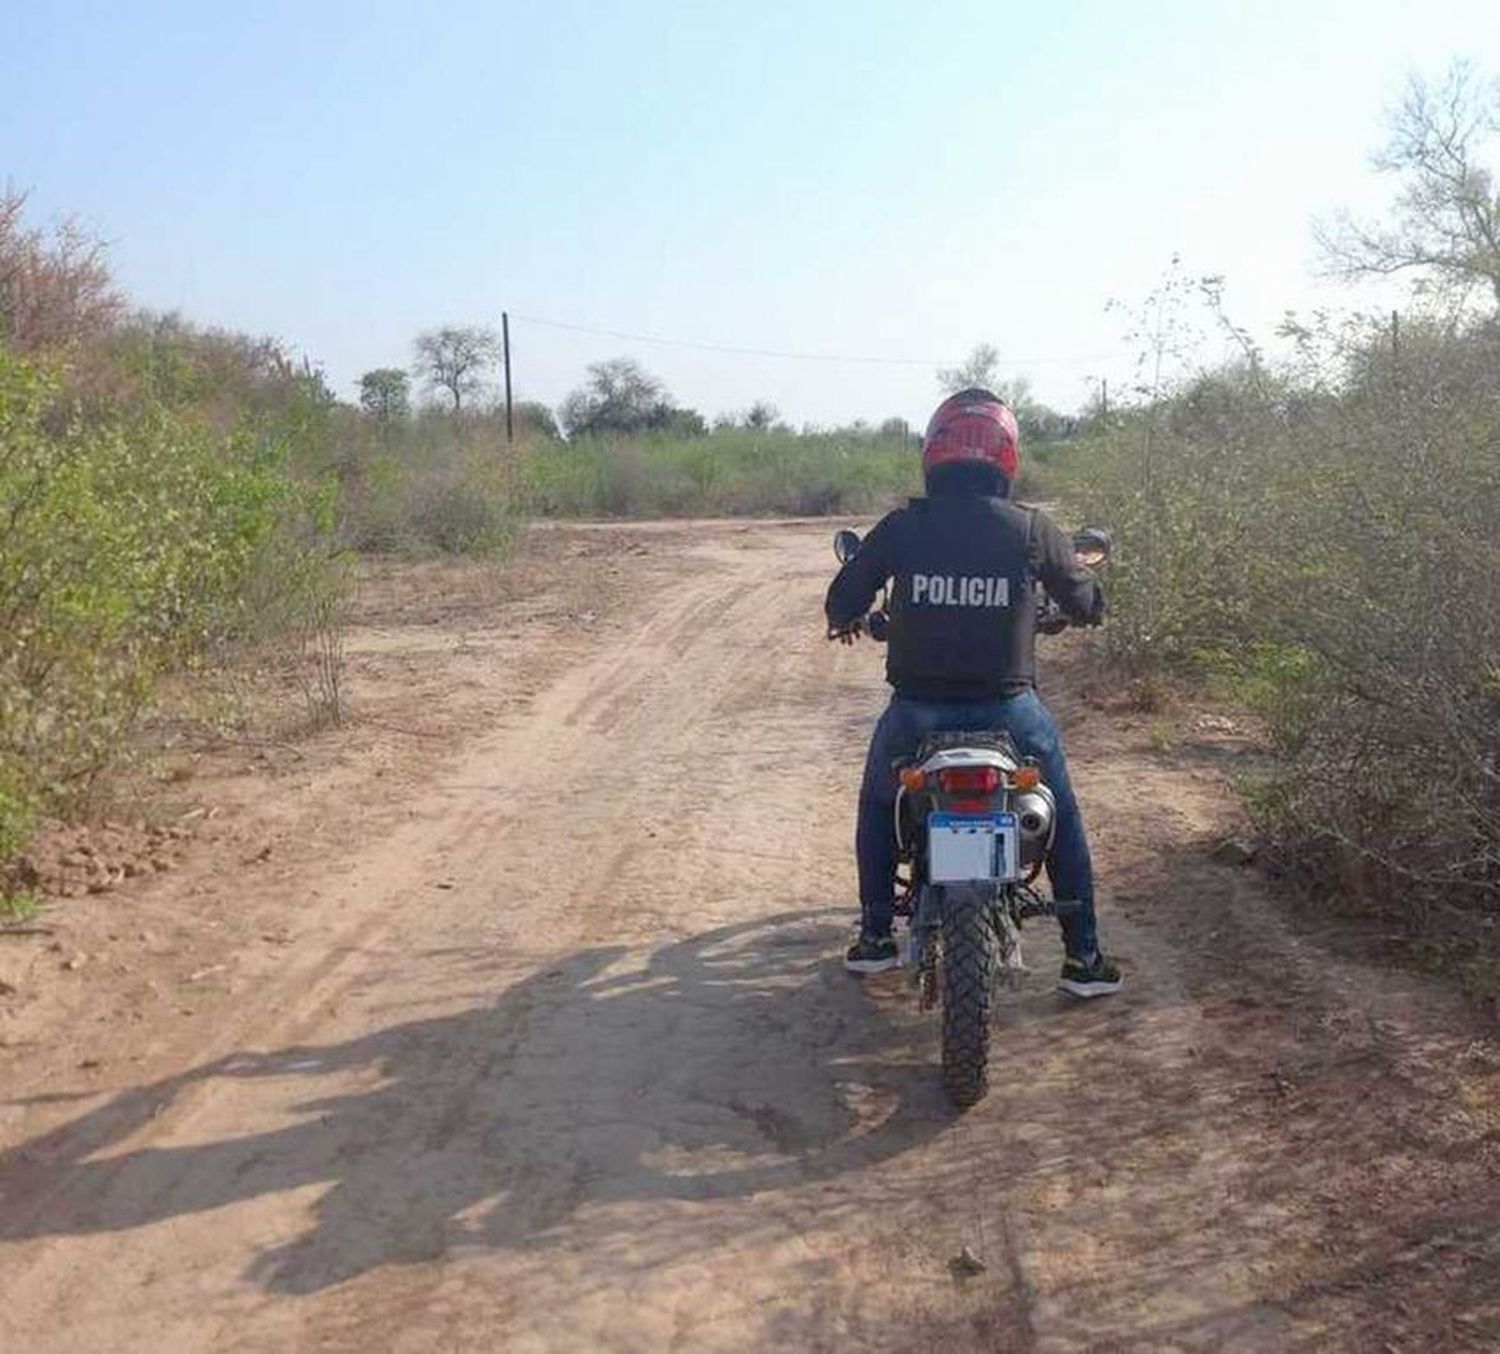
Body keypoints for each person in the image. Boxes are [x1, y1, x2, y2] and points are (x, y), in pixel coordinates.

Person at [825, 388, 1122, 998]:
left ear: (934, 453)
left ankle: (877, 936)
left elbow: (842, 601)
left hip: (916, 713)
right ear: (1006, 456)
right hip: (1010, 713)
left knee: (879, 805)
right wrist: (1088, 593)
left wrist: (850, 616)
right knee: (1062, 817)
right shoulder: (1031, 528)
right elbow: (1084, 600)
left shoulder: (904, 527)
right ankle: (1084, 958)